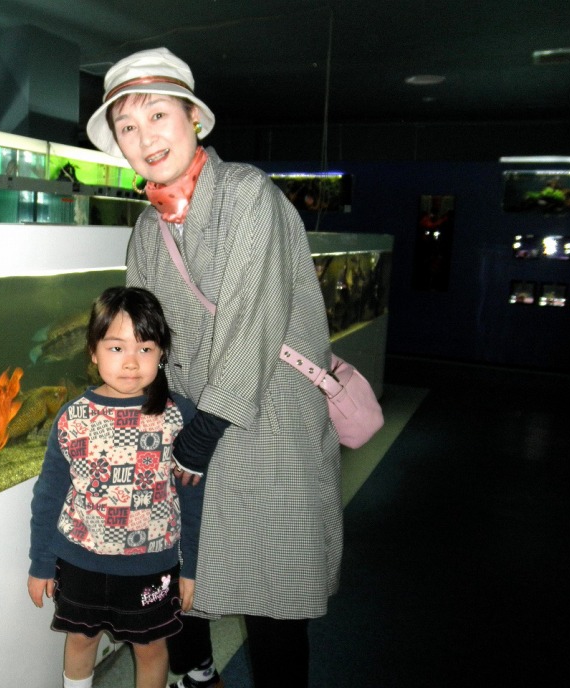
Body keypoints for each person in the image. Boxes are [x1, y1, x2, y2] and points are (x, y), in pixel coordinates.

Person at [86, 48, 343, 688]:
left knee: (274, 593)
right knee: (181, 577)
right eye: (127, 126)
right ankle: (199, 676)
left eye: (158, 115)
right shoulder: (148, 229)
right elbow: (145, 339)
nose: (145, 138)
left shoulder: (247, 193)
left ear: (193, 118)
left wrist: (203, 432)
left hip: (272, 424)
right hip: (191, 426)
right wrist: (128, 412)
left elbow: (253, 319)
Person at [28, 286, 206, 688]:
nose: (131, 361)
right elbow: (49, 496)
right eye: (116, 347)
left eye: (145, 348)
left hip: (152, 566)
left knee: (151, 648)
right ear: (93, 351)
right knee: (80, 640)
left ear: (162, 352)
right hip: (80, 563)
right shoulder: (72, 417)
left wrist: (191, 567)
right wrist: (41, 563)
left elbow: (193, 498)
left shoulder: (179, 416)